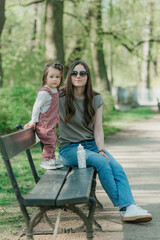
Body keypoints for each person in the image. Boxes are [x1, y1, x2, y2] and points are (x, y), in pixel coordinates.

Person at [58, 60, 152, 222]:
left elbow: (98, 129)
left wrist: (101, 149)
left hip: (92, 146)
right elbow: (42, 104)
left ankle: (130, 207)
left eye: (82, 73)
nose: (78, 76)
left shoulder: (96, 99)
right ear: (69, 76)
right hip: (69, 149)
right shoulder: (60, 97)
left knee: (117, 168)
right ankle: (125, 206)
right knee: (102, 162)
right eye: (74, 73)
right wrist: (33, 121)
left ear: (88, 76)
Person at [24, 62, 63, 170]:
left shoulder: (55, 91)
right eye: (51, 77)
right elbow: (37, 107)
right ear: (45, 78)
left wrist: (57, 115)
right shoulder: (45, 92)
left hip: (51, 124)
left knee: (54, 140)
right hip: (44, 125)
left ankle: (52, 159)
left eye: (57, 77)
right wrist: (33, 121)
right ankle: (45, 160)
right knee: (50, 141)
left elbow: (53, 107)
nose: (54, 79)